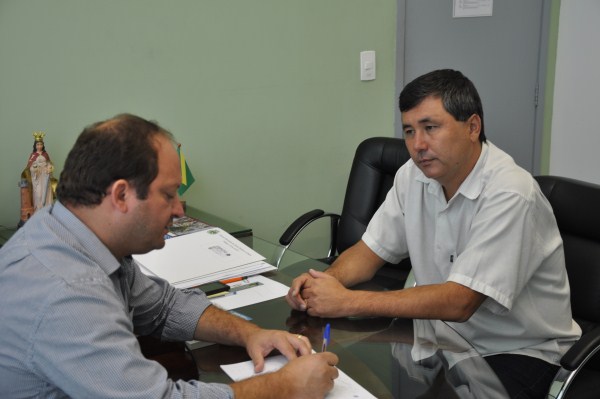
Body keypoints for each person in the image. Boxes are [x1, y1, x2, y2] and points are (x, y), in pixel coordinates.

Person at [286, 69, 581, 398]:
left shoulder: (511, 194)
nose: (418, 145)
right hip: (439, 338)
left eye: (430, 128)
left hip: (513, 350)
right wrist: (324, 282)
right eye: (409, 131)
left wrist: (348, 301)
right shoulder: (412, 176)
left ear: (472, 127)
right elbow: (370, 252)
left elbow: (460, 302)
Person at [0, 114, 338, 398]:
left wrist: (250, 334)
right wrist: (285, 386)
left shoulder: (71, 230)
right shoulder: (65, 291)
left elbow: (163, 307)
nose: (179, 210)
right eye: (169, 194)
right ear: (121, 195)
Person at [24, 132, 55, 211]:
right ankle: (38, 210)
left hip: (45, 176)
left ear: (43, 145)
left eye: (41, 144)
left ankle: (47, 209)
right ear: (35, 145)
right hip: (37, 177)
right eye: (38, 144)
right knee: (38, 194)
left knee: (47, 193)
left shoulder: (45, 154)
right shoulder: (33, 155)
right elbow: (30, 167)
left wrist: (50, 168)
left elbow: (49, 163)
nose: (39, 146)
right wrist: (34, 168)